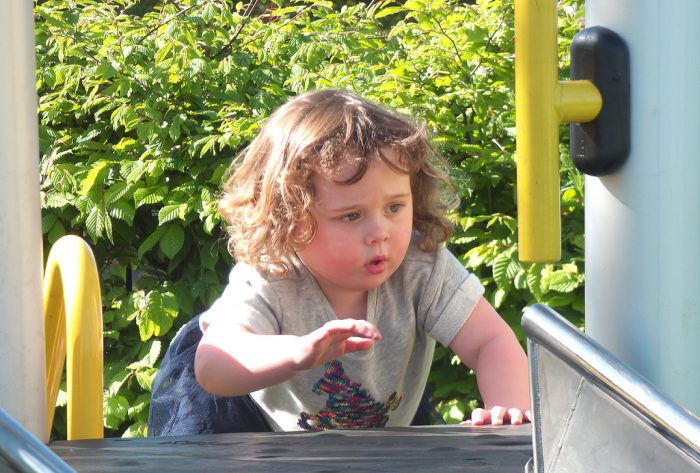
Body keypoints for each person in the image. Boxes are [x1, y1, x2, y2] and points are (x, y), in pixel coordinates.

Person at [148, 89, 530, 436]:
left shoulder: (421, 266)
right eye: (351, 216)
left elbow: (490, 341)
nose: (380, 231)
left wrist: (510, 410)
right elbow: (215, 364)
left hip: (380, 429)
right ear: (292, 221)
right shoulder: (271, 273)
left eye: (395, 207)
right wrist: (296, 352)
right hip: (244, 420)